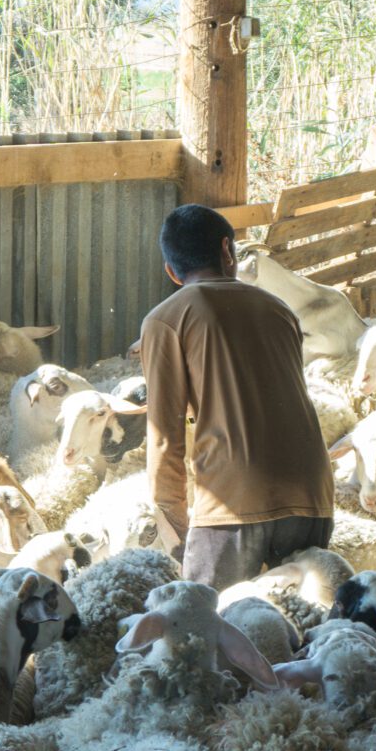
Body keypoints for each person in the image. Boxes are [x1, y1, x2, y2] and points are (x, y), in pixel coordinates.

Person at [139, 203, 337, 590]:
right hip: (312, 493)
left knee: (213, 627)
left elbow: (165, 433)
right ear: (228, 251)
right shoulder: (278, 309)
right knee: (303, 630)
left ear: (171, 272)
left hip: (233, 504)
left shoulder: (166, 319)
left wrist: (174, 521)